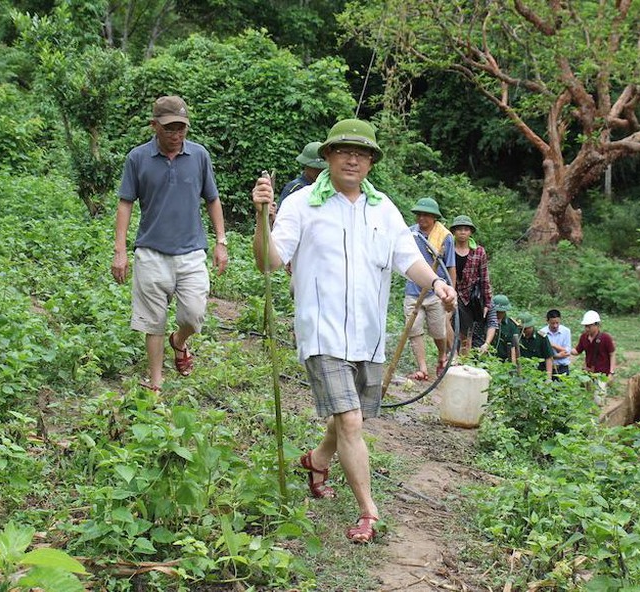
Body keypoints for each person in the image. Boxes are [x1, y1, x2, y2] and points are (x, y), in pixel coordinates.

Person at [251, 119, 456, 544]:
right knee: (349, 420)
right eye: (343, 150)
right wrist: (260, 218)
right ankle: (368, 511)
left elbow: (407, 258)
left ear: (371, 162)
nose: (352, 158)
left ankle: (317, 460)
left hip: (369, 336)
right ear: (327, 156)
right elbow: (269, 261)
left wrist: (434, 282)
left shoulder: (383, 208)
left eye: (361, 153)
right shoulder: (303, 203)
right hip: (322, 333)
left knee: (352, 417)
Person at [111, 95, 228, 391]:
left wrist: (221, 241)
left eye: (181, 129)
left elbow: (212, 199)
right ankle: (156, 385)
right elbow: (125, 204)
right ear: (154, 126)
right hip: (151, 252)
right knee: (153, 322)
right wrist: (120, 251)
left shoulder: (199, 156)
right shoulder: (137, 158)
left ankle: (180, 341)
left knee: (193, 315)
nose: (176, 136)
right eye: (169, 129)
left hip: (191, 252)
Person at [404, 197, 456, 380]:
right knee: (414, 329)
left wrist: (451, 292)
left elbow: (451, 268)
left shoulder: (445, 237)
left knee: (438, 330)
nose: (421, 218)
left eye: (426, 215)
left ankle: (442, 356)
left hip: (436, 292)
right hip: (413, 290)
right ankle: (422, 368)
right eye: (419, 214)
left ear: (434, 217)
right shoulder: (410, 234)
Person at [450, 215, 492, 355]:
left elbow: (484, 278)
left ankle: (463, 360)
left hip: (469, 297)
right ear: (454, 231)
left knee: (465, 334)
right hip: (449, 293)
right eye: (459, 229)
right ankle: (449, 358)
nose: (462, 232)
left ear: (470, 232)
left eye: (466, 229)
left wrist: (487, 302)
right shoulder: (448, 249)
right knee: (447, 327)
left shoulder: (479, 252)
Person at [277, 141, 328, 207]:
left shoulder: (329, 188)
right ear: (306, 166)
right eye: (314, 168)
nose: (319, 172)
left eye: (322, 169)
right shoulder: (294, 188)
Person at [571, 310, 616, 378]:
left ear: (596, 325)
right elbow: (577, 351)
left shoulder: (606, 338)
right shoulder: (584, 337)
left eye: (589, 326)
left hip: (602, 375)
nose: (587, 329)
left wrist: (611, 372)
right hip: (588, 373)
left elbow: (612, 355)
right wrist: (566, 349)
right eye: (585, 326)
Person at [518, 312, 554, 380]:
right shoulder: (517, 336)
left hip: (538, 375)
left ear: (532, 326)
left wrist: (548, 378)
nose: (523, 331)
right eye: (521, 328)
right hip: (521, 374)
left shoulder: (541, 337)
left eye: (526, 329)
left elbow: (548, 358)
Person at [539, 309, 572, 379]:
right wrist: (557, 355)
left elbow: (567, 352)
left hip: (562, 368)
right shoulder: (542, 333)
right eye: (552, 323)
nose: (555, 326)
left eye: (557, 323)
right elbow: (542, 355)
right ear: (547, 321)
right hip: (546, 369)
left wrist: (551, 344)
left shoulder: (566, 331)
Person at [491, 294, 519, 362]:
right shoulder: (485, 322)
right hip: (487, 359)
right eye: (497, 312)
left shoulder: (511, 325)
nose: (499, 314)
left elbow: (514, 347)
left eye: (501, 312)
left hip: (504, 362)